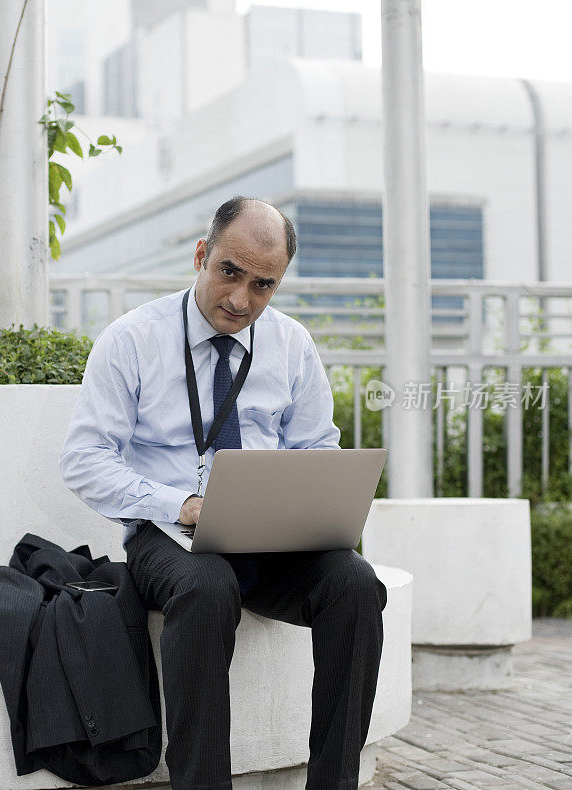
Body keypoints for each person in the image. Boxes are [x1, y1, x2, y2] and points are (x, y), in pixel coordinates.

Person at [60, 196, 387, 790]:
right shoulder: (132, 340)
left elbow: (318, 445)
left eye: (262, 285)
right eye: (229, 273)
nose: (240, 300)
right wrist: (179, 505)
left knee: (357, 585)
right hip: (171, 539)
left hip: (271, 539)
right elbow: (84, 461)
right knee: (207, 586)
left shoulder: (292, 345)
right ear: (201, 255)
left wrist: (311, 496)